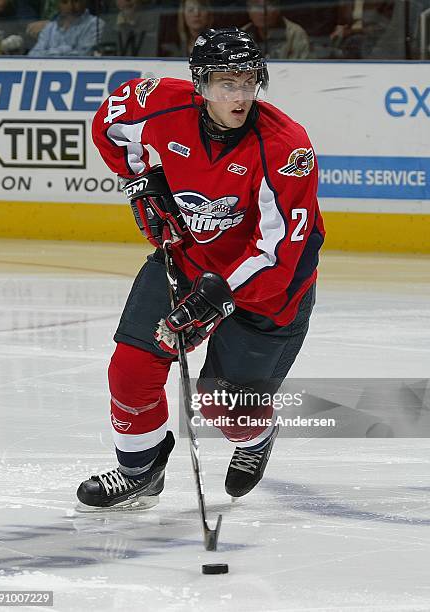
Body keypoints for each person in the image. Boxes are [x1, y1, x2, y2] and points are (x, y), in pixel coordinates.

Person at [76, 27, 325, 510]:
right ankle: (140, 470)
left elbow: (279, 253)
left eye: (249, 81)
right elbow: (109, 121)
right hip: (188, 259)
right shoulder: (160, 103)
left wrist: (215, 299)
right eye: (226, 83)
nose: (240, 95)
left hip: (270, 290)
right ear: (200, 83)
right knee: (131, 369)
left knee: (222, 407)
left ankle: (256, 434)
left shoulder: (284, 146)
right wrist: (141, 180)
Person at [28, 0, 103, 56]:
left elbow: (83, 55)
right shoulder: (50, 27)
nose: (70, 7)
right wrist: (67, 49)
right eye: (65, 2)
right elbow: (33, 55)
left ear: (85, 2)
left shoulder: (95, 24)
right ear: (58, 4)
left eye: (75, 1)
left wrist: (49, 52)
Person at [242, 0, 310, 59]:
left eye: (268, 6)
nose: (262, 12)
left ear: (277, 10)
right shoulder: (242, 35)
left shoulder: (295, 34)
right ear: (248, 11)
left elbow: (301, 68)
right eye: (256, 7)